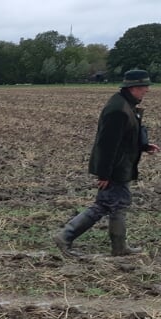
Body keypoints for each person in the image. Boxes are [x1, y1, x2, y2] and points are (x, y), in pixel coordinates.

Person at [54, 69, 159, 257]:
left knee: (113, 204)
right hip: (115, 168)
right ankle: (65, 236)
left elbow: (126, 136)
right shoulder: (118, 109)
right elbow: (107, 144)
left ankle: (118, 247)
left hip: (120, 166)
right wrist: (104, 174)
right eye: (145, 86)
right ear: (134, 87)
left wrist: (143, 146)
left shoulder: (126, 104)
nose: (147, 90)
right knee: (107, 204)